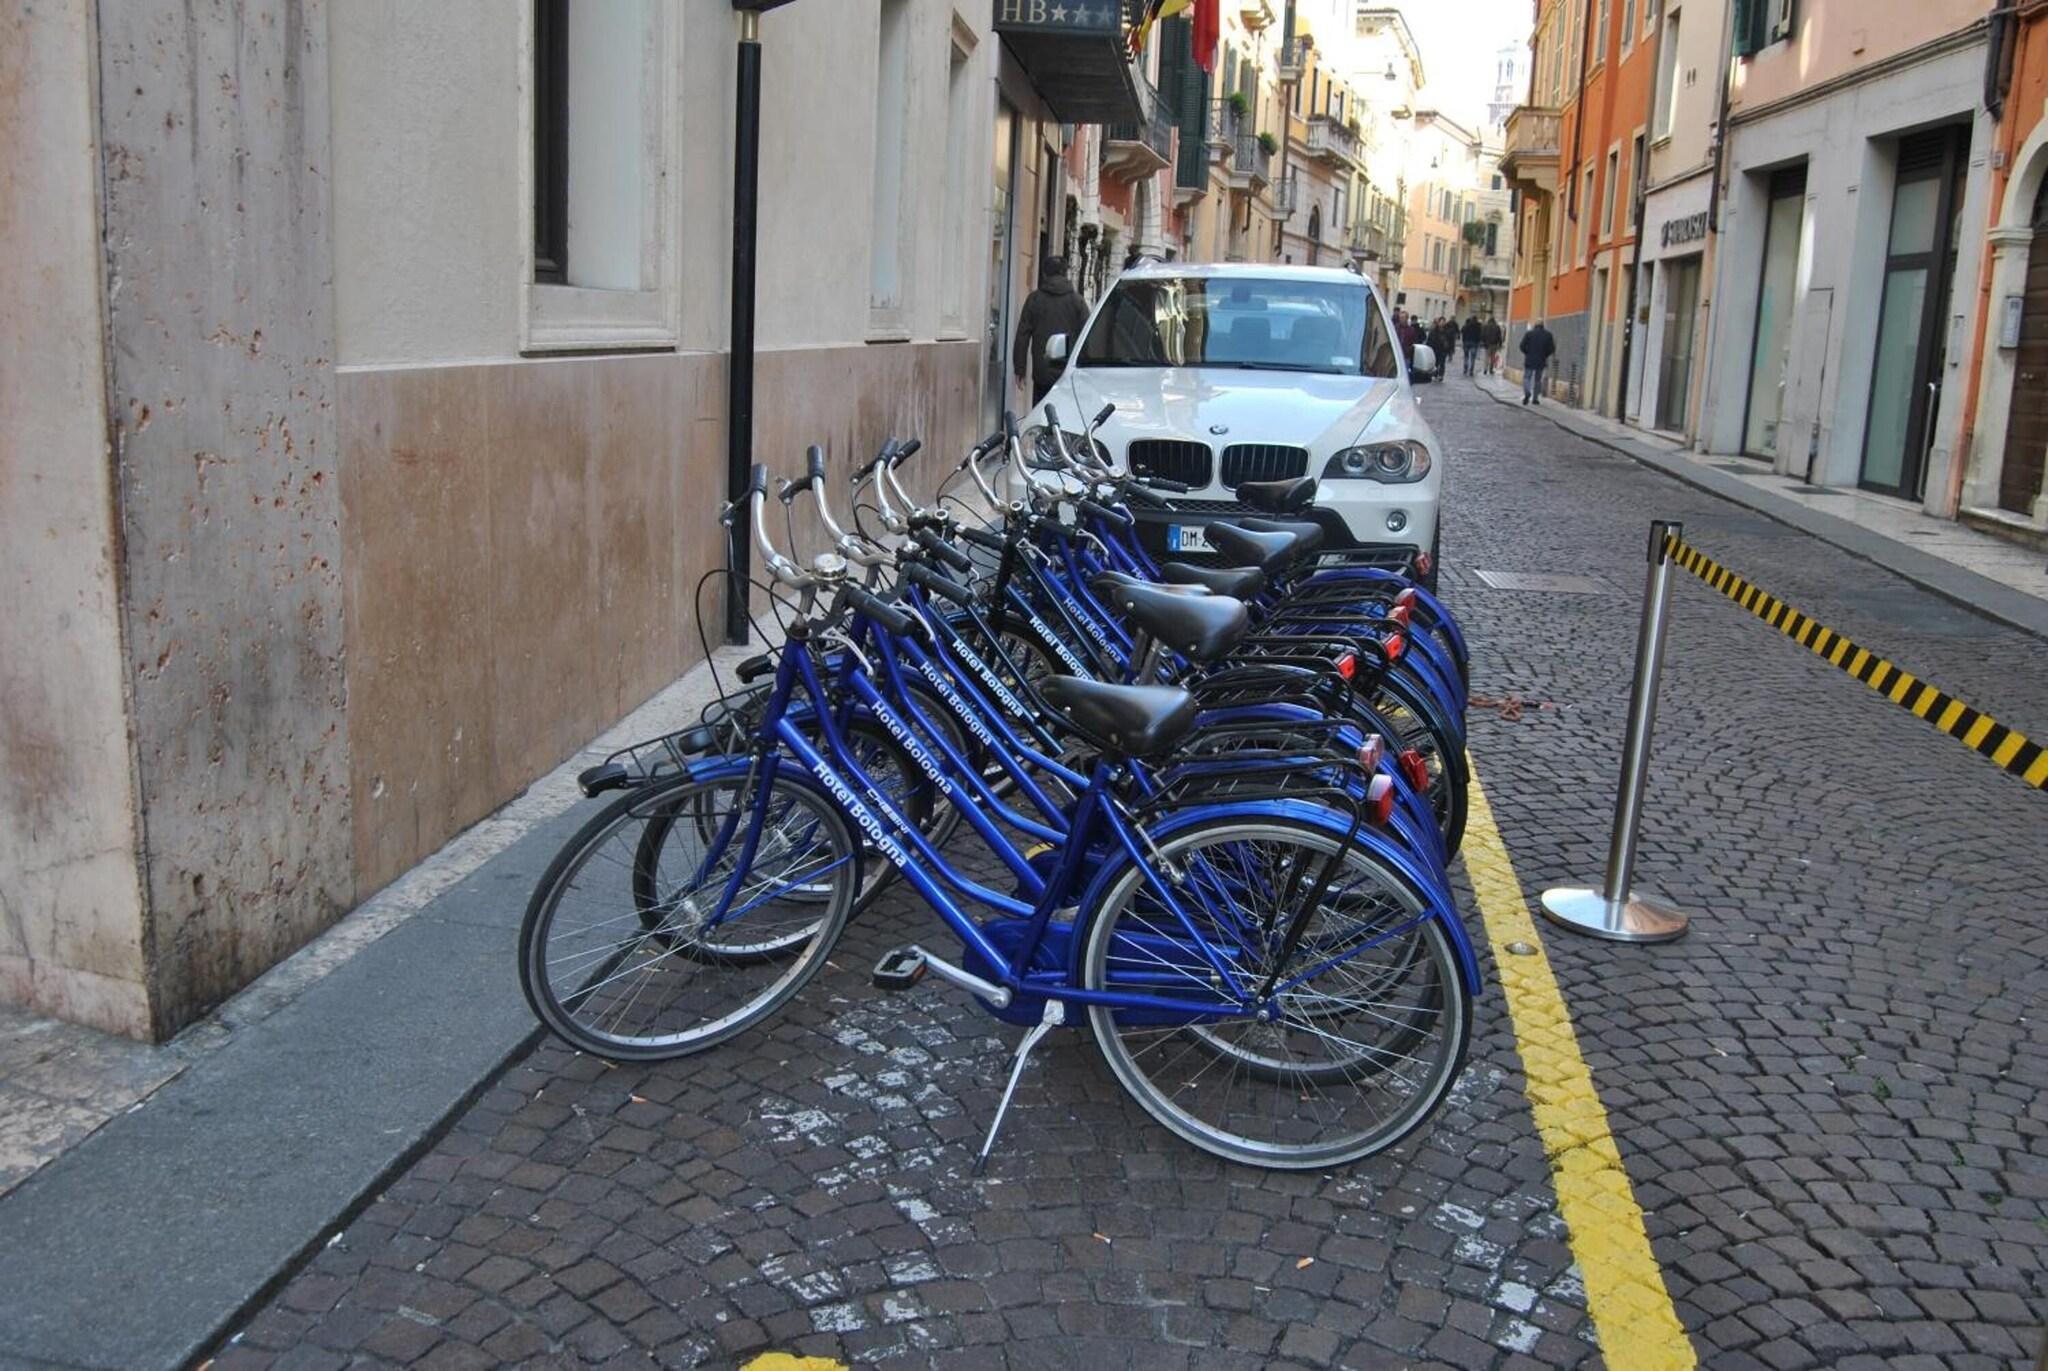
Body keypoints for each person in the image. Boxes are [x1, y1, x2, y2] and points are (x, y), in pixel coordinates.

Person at [1013, 256, 1092, 407]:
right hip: (1068, 371)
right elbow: (1087, 337)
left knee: (1041, 411)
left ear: (1044, 274)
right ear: (1065, 273)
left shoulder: (1034, 299)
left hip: (1042, 371)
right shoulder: (1077, 301)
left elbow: (1022, 335)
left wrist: (1020, 368)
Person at [1520, 320, 1556, 405]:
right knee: (1538, 379)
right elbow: (1552, 349)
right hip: (1541, 360)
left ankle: (1527, 392)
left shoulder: (1529, 334)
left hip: (1529, 359)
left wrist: (1527, 353)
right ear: (1543, 326)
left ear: (1535, 325)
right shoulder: (1548, 335)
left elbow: (1521, 346)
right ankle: (1535, 398)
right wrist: (1545, 355)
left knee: (1527, 377)